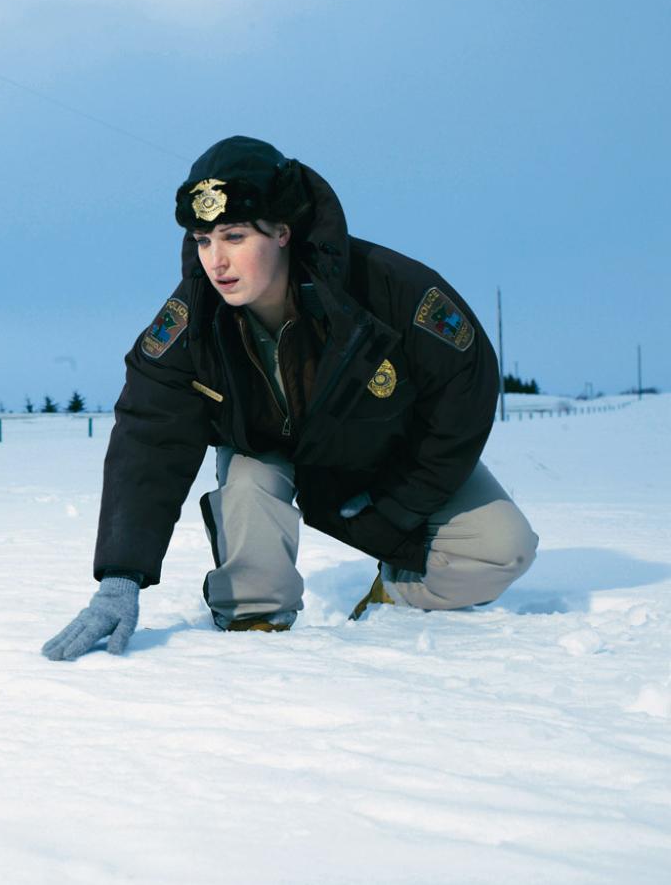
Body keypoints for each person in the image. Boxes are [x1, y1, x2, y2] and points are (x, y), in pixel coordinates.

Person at [42, 135, 538, 661]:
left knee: (503, 550)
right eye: (203, 241)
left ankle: (394, 597)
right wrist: (121, 578)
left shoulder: (390, 289)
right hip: (265, 455)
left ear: (282, 231)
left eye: (234, 236)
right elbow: (149, 434)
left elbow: (462, 394)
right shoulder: (191, 321)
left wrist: (396, 510)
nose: (216, 261)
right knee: (250, 495)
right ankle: (256, 632)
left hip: (386, 457)